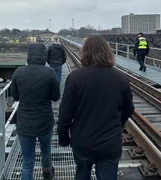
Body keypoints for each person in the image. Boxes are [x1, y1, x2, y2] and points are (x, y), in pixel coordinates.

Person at [57, 36, 134, 180]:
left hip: (82, 141)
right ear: (107, 52)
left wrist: (63, 137)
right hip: (110, 142)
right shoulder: (120, 78)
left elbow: (65, 112)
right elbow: (128, 108)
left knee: (82, 173)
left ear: (85, 52)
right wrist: (118, 124)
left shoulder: (75, 78)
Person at [11, 43, 60, 180]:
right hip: (45, 120)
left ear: (29, 55)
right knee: (46, 150)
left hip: (24, 122)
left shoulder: (19, 72)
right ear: (44, 56)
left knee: (27, 162)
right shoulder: (50, 72)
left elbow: (15, 96)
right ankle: (47, 173)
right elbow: (56, 97)